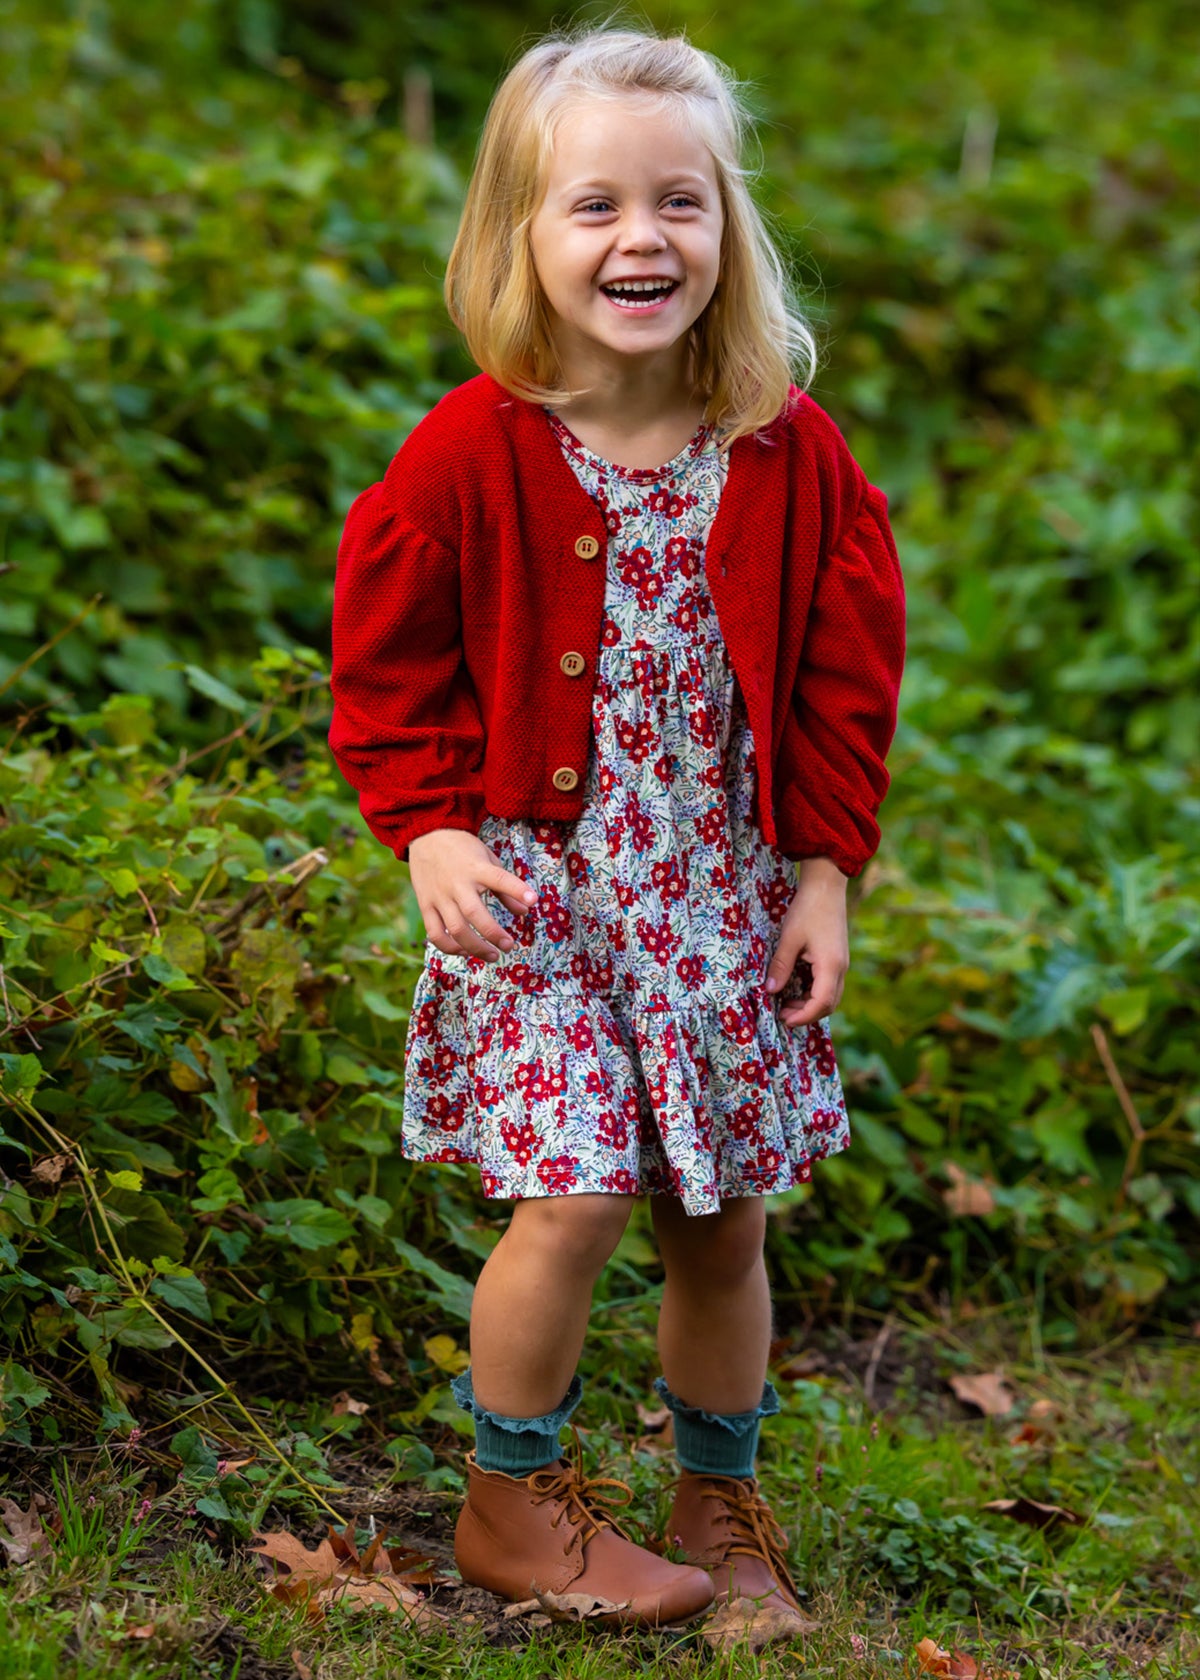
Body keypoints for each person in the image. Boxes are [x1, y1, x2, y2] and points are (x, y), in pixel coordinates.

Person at [329, 20, 905, 1638]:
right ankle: (512, 1502)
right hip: (543, 896)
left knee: (722, 1221)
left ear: (730, 227)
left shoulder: (788, 455)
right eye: (593, 207)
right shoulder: (471, 450)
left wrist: (822, 872)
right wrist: (428, 827)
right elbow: (384, 659)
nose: (642, 239)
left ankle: (717, 1506)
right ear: (521, 233)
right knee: (572, 1199)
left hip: (719, 899)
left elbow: (847, 681)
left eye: (680, 203)